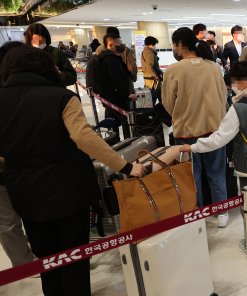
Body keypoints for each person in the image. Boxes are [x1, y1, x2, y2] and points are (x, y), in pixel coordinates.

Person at [0, 46, 143, 296]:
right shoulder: (62, 97)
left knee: (47, 259)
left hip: (25, 191)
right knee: (75, 257)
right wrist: (127, 166)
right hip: (69, 189)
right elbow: (84, 138)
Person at [180, 61, 247, 249]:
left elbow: (219, 139)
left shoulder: (238, 108)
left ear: (244, 81)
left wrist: (193, 147)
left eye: (235, 81)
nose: (233, 86)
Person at [162, 27, 230, 227]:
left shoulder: (173, 71)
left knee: (191, 177)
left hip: (186, 134)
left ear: (180, 45)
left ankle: (196, 214)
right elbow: (223, 96)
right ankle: (222, 212)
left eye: (174, 45)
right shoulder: (213, 67)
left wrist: (182, 112)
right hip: (214, 131)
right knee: (217, 173)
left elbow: (167, 103)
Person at [0, 41, 35, 269]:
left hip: (27, 166)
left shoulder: (31, 87)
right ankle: (25, 266)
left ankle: (29, 264)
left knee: (14, 221)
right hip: (12, 167)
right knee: (9, 222)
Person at [99, 31, 137, 139]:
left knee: (114, 123)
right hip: (117, 98)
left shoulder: (108, 57)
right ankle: (127, 144)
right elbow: (117, 80)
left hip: (110, 98)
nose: (122, 45)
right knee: (125, 122)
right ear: (111, 45)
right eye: (119, 43)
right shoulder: (110, 60)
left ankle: (115, 142)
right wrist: (127, 94)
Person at [96, 27, 138, 92]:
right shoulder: (124, 49)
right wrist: (133, 77)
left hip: (106, 86)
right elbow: (132, 65)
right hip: (123, 82)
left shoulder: (99, 49)